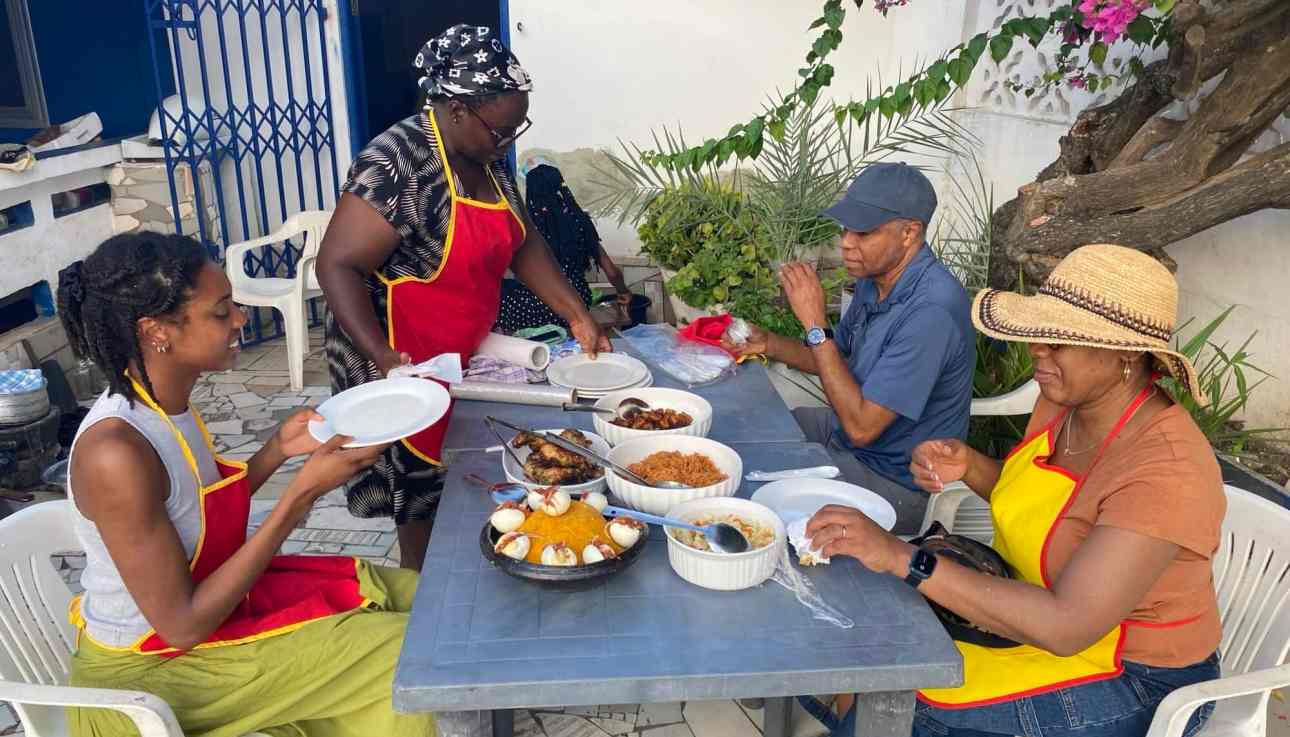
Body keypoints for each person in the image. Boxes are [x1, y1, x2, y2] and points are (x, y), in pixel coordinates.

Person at [800, 244, 1223, 737]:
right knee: (842, 633)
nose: (1037, 351)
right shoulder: (1067, 402)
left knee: (903, 703)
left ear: (1126, 351)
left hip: (1135, 677)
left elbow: (1067, 626)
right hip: (1033, 611)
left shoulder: (1164, 469)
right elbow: (1052, 506)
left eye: (1058, 340)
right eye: (1038, 334)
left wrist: (902, 557)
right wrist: (970, 465)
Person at [57, 232, 433, 737]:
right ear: (156, 331)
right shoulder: (115, 452)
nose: (239, 320)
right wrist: (301, 494)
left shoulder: (163, 406)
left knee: (411, 591)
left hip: (199, 626)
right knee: (405, 651)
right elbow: (183, 626)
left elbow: (194, 513)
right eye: (220, 312)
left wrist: (277, 449)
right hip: (153, 677)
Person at [316, 24, 610, 572]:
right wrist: (384, 358)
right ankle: (421, 592)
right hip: (390, 347)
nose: (510, 138)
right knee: (416, 484)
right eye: (502, 127)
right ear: (456, 110)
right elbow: (336, 264)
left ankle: (471, 564)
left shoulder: (488, 157)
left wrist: (577, 314)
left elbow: (523, 242)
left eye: (518, 124)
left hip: (452, 342)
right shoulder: (398, 161)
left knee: (458, 461)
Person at [724, 162, 974, 534]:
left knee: (755, 500)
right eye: (844, 228)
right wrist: (771, 343)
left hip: (893, 479)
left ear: (909, 233)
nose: (846, 242)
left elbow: (862, 428)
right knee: (747, 431)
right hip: (846, 436)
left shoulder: (932, 311)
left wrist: (814, 322)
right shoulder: (877, 280)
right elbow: (834, 360)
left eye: (862, 232)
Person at [495, 162, 632, 334]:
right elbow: (612, 272)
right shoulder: (581, 221)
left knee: (497, 295)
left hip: (537, 305)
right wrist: (623, 291)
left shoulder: (528, 228)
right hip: (578, 304)